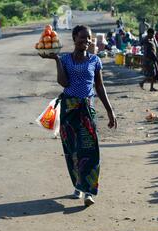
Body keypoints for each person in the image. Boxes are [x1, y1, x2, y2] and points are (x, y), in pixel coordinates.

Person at [39, 25, 117, 206]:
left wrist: (110, 111)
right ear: (74, 38)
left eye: (88, 38)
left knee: (90, 150)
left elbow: (100, 87)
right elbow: (64, 82)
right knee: (72, 149)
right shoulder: (65, 59)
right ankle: (78, 185)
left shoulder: (95, 61)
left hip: (87, 109)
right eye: (82, 38)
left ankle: (89, 191)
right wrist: (57, 61)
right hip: (69, 109)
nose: (86, 41)